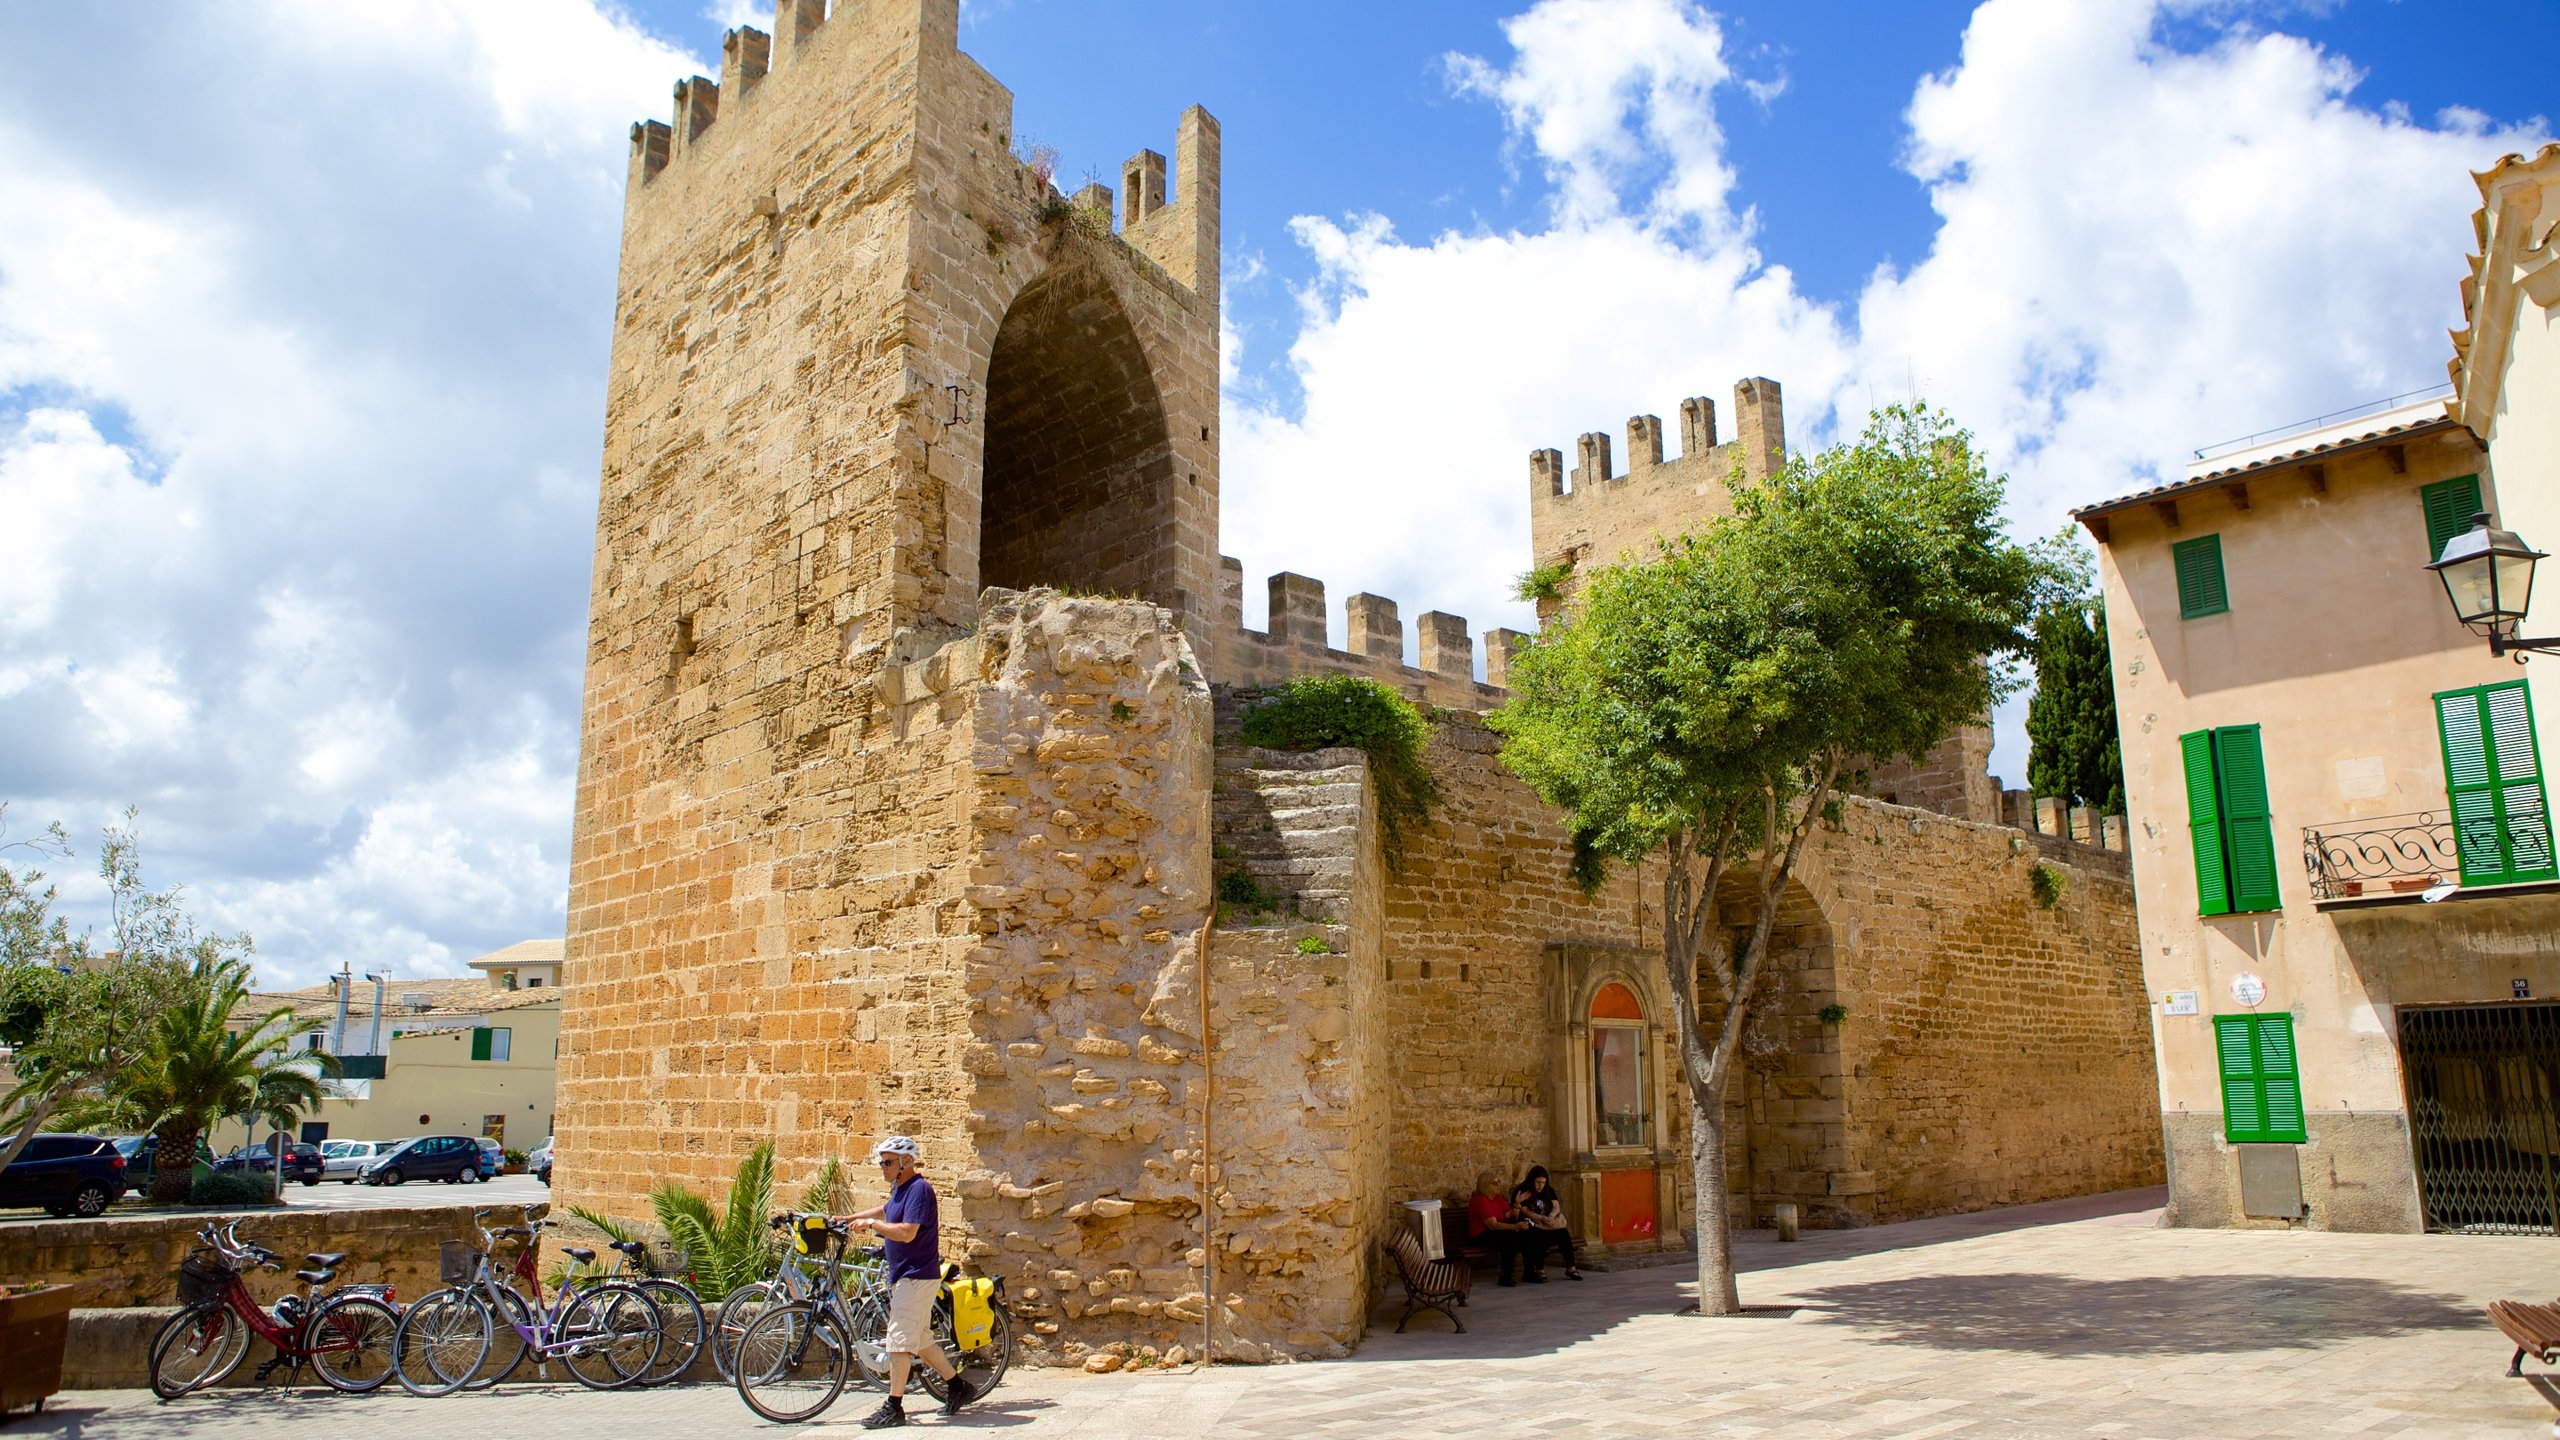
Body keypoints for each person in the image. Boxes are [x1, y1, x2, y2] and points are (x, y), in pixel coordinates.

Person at [840, 1135, 975, 1428]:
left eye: (888, 1162)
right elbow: (885, 1210)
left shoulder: (919, 1190)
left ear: (906, 1162)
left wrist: (872, 1226)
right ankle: (957, 1386)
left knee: (898, 1343)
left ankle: (894, 1406)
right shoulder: (900, 1189)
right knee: (921, 1341)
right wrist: (848, 1218)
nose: (882, 1167)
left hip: (916, 1276)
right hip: (905, 1275)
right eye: (881, 1162)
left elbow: (907, 1232)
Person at [1510, 1165, 1583, 1282]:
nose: (1540, 1185)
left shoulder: (1549, 1190)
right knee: (1539, 1235)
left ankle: (1571, 1267)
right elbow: (1525, 1211)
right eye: (1538, 1182)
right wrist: (1542, 1218)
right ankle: (1539, 1269)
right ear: (1532, 1180)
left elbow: (1556, 1206)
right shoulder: (1523, 1191)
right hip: (1530, 1227)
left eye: (1543, 1182)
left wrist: (1551, 1217)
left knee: (1563, 1233)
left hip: (1546, 1224)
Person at [1464, 1170, 1532, 1286]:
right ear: (1485, 1185)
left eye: (1498, 1182)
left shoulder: (1497, 1198)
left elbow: (1511, 1215)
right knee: (1509, 1237)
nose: (1498, 1185)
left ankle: (1530, 1272)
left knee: (1527, 1234)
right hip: (1481, 1234)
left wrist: (1518, 1203)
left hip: (1496, 1233)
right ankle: (1506, 1276)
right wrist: (1515, 1226)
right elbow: (1493, 1225)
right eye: (1494, 1183)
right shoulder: (1480, 1200)